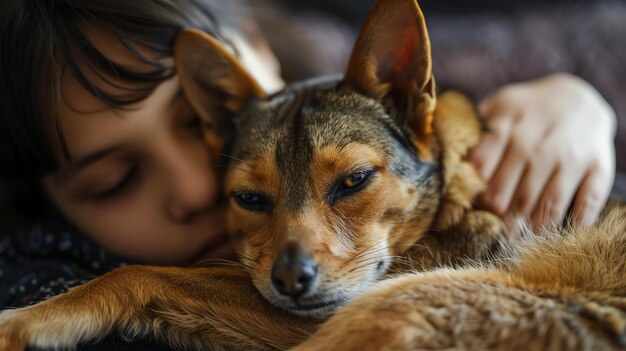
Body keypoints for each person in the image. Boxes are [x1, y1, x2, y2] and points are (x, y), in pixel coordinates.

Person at [0, 0, 617, 349]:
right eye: (113, 180)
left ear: (257, 45)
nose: (196, 189)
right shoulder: (34, 265)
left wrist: (582, 104)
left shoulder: (441, 125)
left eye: (349, 185)